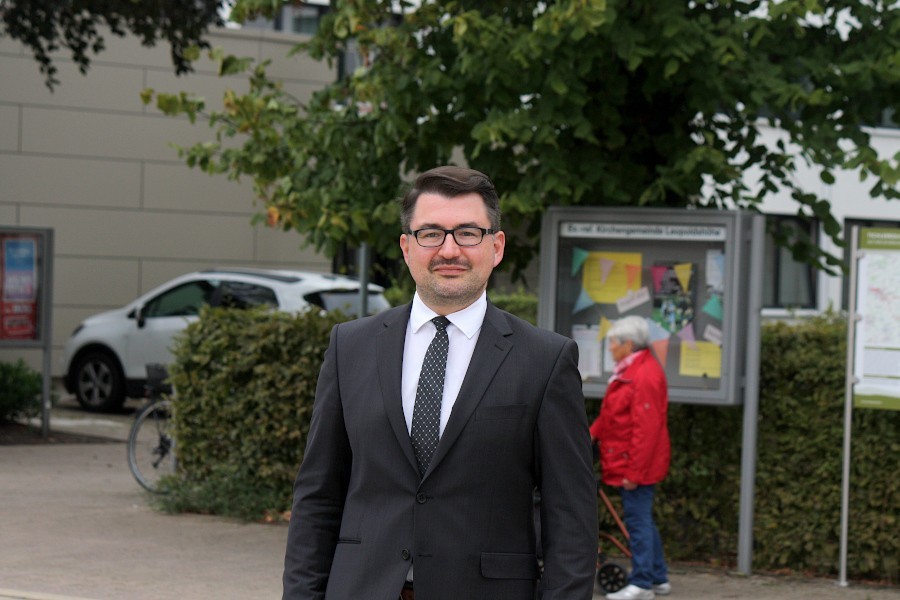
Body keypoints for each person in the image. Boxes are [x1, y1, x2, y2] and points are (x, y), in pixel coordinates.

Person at [282, 166, 598, 600]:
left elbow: (572, 515)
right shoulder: (349, 347)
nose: (449, 250)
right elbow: (318, 495)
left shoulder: (545, 360)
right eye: (431, 233)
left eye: (468, 232)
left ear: (497, 246)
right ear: (406, 247)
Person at [590, 316, 671, 600]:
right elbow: (612, 415)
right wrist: (588, 436)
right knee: (642, 521)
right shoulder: (631, 370)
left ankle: (642, 584)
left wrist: (634, 473)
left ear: (628, 344)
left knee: (637, 523)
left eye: (613, 342)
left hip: (636, 465)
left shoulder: (643, 376)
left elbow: (646, 431)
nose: (609, 347)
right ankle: (658, 578)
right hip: (632, 461)